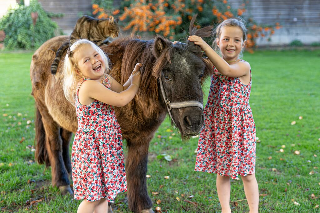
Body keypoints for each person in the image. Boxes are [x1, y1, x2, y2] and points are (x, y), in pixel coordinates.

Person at [63, 39, 142, 213]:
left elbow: (121, 89)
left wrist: (132, 77)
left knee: (104, 194)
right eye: (86, 60)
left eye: (95, 54)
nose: (94, 61)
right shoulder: (89, 86)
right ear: (78, 71)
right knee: (93, 198)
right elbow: (121, 100)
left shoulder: (104, 79)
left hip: (105, 145)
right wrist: (136, 83)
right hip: (92, 149)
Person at [189, 18, 259, 213]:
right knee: (222, 172)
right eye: (226, 38)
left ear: (243, 44)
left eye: (237, 40)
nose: (231, 44)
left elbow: (227, 70)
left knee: (247, 173)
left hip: (239, 128)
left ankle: (254, 211)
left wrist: (203, 44)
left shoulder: (243, 66)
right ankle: (225, 210)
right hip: (219, 127)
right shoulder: (212, 65)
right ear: (217, 42)